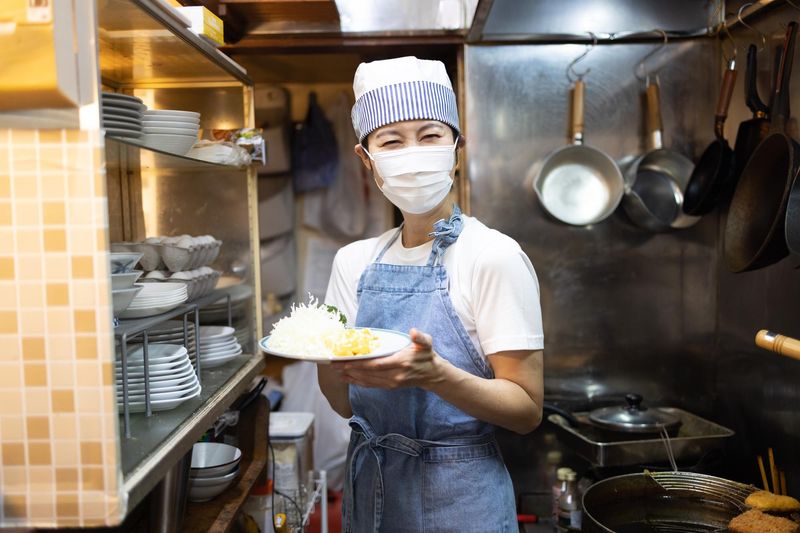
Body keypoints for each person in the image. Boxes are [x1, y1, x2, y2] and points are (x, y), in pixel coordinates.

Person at [317, 56, 544, 533]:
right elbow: (346, 404)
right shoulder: (352, 262)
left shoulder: (493, 256)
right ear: (366, 158)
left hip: (461, 500)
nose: (413, 154)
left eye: (430, 136)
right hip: (371, 493)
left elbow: (526, 411)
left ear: (457, 149)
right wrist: (323, 356)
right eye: (391, 141)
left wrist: (436, 375)